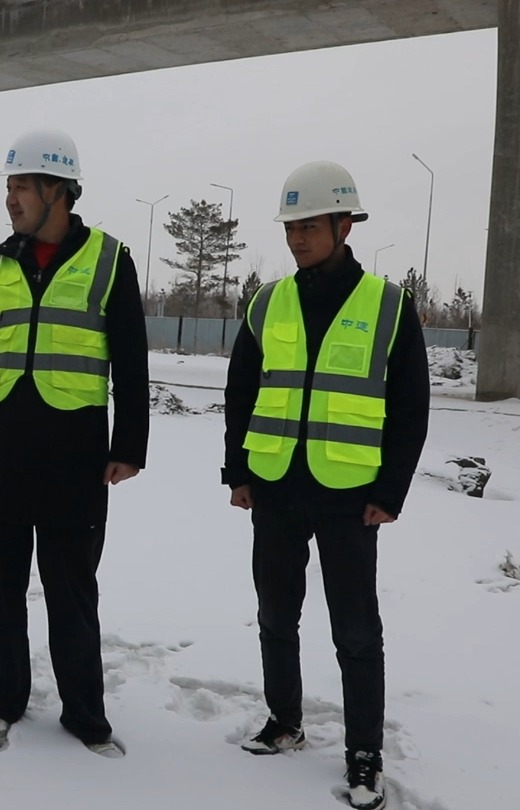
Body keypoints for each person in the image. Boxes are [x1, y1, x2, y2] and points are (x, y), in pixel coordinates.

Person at [222, 161, 430, 809]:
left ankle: (364, 754)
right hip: (277, 486)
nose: (297, 238)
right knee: (276, 615)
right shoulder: (267, 301)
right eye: (290, 226)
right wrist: (239, 470)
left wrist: (389, 492)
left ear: (345, 224)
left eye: (309, 225)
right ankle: (285, 721)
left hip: (348, 494)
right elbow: (241, 393)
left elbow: (411, 407)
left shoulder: (389, 307)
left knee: (356, 631)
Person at [0, 128, 149, 757]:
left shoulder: (109, 260)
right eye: (9, 187)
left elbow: (131, 361)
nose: (10, 199)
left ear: (58, 191)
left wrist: (129, 445)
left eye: (22, 186)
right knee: (1, 591)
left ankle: (85, 716)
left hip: (73, 453)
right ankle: (3, 702)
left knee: (72, 592)